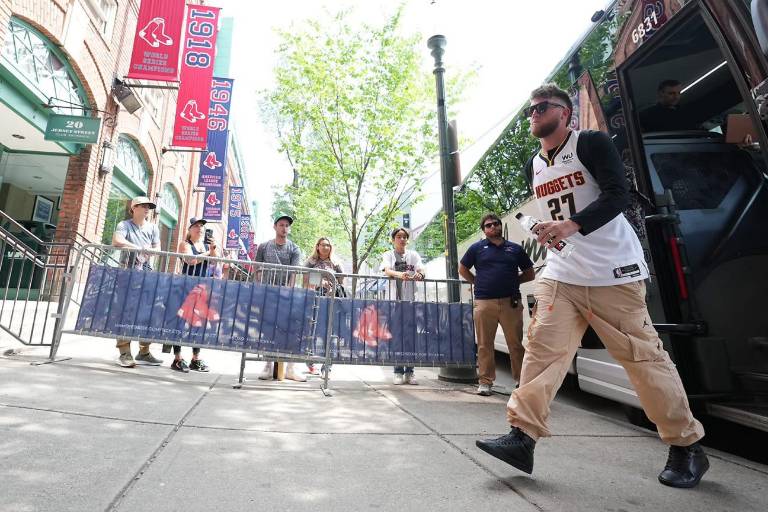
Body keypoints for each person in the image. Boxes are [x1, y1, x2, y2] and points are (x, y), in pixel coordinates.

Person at [476, 84, 708, 489]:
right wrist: (553, 231)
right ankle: (522, 437)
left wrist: (572, 224)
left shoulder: (591, 143)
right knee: (542, 353)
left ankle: (687, 445)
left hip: (612, 272)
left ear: (564, 114)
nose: (533, 114)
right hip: (563, 273)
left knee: (642, 360)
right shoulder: (535, 163)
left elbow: (619, 196)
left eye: (541, 108)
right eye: (530, 110)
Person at [459, 213, 535, 396]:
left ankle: (521, 382)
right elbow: (462, 269)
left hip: (511, 303)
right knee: (484, 344)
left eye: (496, 224)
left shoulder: (515, 249)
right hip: (485, 303)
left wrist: (514, 281)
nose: (493, 227)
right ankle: (485, 382)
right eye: (488, 225)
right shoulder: (477, 248)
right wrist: (477, 282)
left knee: (516, 344)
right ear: (484, 230)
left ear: (501, 226)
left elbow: (529, 273)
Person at [253, 214, 307, 382]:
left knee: (290, 330)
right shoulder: (264, 247)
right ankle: (268, 365)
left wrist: (288, 292)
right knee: (268, 330)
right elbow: (257, 268)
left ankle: (291, 367)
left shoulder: (294, 249)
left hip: (286, 296)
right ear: (275, 227)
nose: (284, 228)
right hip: (268, 294)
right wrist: (261, 286)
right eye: (281, 225)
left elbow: (293, 271)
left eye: (287, 226)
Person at [111, 196, 163, 368]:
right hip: (127, 274)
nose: (147, 209)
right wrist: (139, 248)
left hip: (147, 274)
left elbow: (158, 249)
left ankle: (144, 351)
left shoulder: (153, 227)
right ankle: (125, 352)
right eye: (143, 206)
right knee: (125, 312)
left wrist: (148, 251)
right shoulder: (124, 225)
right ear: (134, 208)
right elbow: (117, 241)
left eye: (149, 206)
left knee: (149, 312)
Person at [170, 217, 218, 373]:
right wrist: (208, 252)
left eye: (202, 226)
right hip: (185, 287)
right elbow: (190, 260)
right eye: (196, 226)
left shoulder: (206, 246)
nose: (200, 228)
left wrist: (214, 249)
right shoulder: (185, 244)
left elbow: (215, 261)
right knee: (180, 321)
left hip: (201, 289)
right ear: (189, 230)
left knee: (198, 323)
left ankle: (195, 359)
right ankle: (177, 358)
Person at [381, 227, 425, 385]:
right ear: (393, 240)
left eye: (405, 237)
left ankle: (410, 372)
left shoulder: (413, 255)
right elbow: (387, 270)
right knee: (397, 337)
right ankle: (398, 371)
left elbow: (421, 268)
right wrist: (400, 274)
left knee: (411, 337)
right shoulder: (388, 254)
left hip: (411, 302)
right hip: (394, 303)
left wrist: (421, 274)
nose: (402, 239)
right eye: (399, 236)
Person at [304, 237, 344, 376]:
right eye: (323, 245)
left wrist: (333, 286)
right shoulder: (311, 262)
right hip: (314, 298)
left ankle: (327, 366)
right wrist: (320, 282)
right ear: (317, 246)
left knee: (329, 332)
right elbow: (305, 277)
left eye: (328, 245)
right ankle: (310, 362)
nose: (325, 247)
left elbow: (341, 280)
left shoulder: (336, 263)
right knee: (312, 330)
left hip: (331, 301)